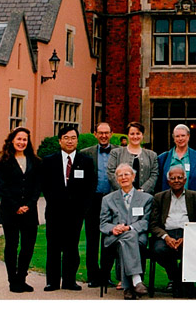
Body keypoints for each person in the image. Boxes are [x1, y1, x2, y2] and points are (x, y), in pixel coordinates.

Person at [40, 125, 96, 291]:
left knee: (72, 246)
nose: (69, 141)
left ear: (77, 140)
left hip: (76, 213)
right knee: (53, 246)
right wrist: (55, 202)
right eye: (66, 138)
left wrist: (83, 208)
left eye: (73, 138)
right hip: (54, 211)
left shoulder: (86, 161)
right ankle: (52, 281)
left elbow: (90, 186)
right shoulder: (49, 160)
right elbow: (45, 185)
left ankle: (69, 280)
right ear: (60, 141)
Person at [0, 127, 41, 293]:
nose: (22, 142)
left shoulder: (35, 161)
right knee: (12, 246)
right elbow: (2, 187)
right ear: (12, 140)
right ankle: (13, 281)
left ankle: (22, 278)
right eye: (19, 139)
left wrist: (29, 204)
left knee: (28, 246)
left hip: (30, 211)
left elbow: (37, 186)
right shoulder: (3, 161)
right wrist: (16, 206)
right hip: (10, 211)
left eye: (24, 139)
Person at [150, 165, 196, 297]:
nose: (176, 181)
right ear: (168, 181)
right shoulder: (159, 197)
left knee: (192, 250)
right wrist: (166, 237)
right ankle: (178, 279)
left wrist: (187, 238)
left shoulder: (195, 197)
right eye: (173, 178)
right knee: (159, 250)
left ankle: (178, 283)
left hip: (188, 233)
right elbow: (153, 224)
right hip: (166, 233)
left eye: (180, 178)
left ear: (185, 180)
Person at [100, 164, 153, 300]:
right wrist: (113, 228)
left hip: (136, 237)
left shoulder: (146, 198)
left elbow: (145, 222)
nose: (124, 177)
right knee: (128, 239)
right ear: (117, 180)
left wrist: (129, 228)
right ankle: (136, 279)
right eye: (120, 175)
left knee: (128, 239)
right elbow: (103, 224)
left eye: (127, 174)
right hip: (114, 238)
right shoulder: (108, 199)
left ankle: (128, 288)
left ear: (133, 177)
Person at [81, 122, 116, 287]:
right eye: (100, 133)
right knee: (92, 239)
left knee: (109, 239)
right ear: (95, 134)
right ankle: (93, 276)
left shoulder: (119, 152)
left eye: (106, 133)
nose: (103, 136)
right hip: (93, 200)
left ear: (111, 134)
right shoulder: (85, 153)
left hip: (113, 200)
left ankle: (106, 275)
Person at [156, 124, 196, 200]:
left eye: (183, 135)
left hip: (192, 200)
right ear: (173, 138)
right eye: (177, 136)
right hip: (169, 201)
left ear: (188, 136)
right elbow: (158, 183)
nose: (180, 139)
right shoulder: (163, 158)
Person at [107, 122, 159, 195]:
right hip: (120, 195)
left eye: (138, 133)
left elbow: (154, 175)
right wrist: (125, 191)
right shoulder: (116, 153)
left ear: (142, 135)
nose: (135, 137)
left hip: (144, 196)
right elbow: (111, 173)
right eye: (132, 134)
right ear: (127, 135)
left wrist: (142, 191)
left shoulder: (152, 155)